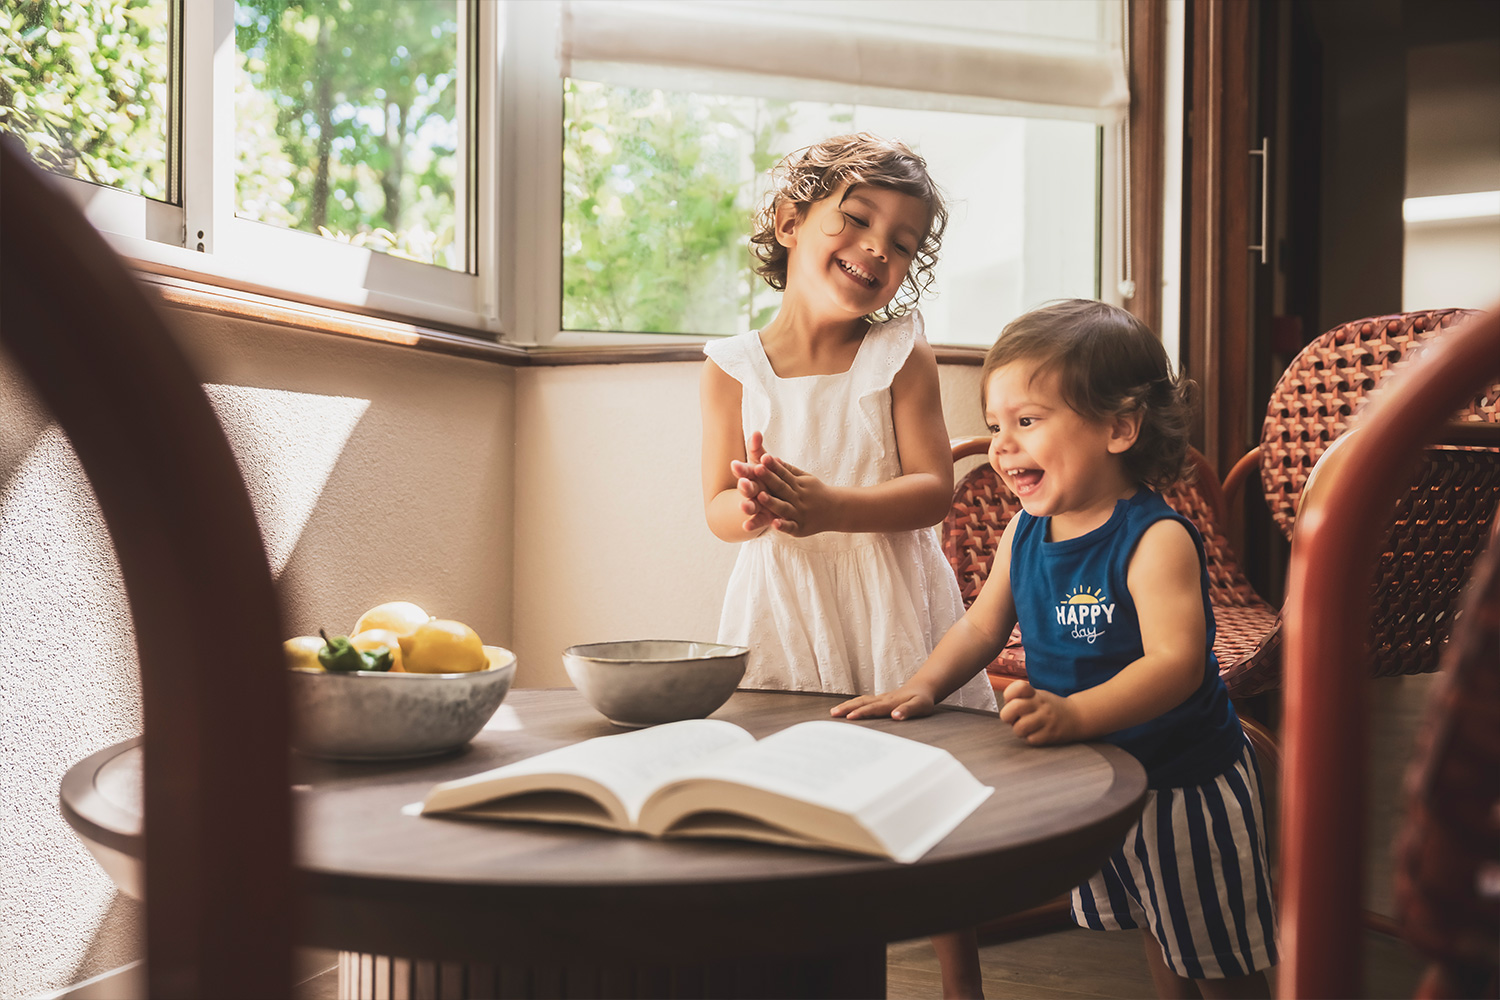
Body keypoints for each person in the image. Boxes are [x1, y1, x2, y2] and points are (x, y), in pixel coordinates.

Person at [833, 299, 1278, 1000]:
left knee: (1216, 958)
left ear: (1119, 427)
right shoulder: (1024, 536)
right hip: (1104, 783)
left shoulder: (1154, 538)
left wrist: (1075, 718)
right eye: (995, 426)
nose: (1002, 446)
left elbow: (1175, 663)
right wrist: (922, 685)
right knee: (1157, 932)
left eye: (1028, 422)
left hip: (1184, 785)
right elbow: (981, 629)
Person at [700, 133, 996, 998]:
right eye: (858, 220)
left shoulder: (900, 350)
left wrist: (833, 508)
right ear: (792, 223)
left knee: (927, 788)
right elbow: (716, 511)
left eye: (902, 242)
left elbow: (935, 489)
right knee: (787, 784)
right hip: (783, 608)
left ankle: (959, 978)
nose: (877, 249)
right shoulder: (731, 367)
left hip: (891, 601)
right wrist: (750, 507)